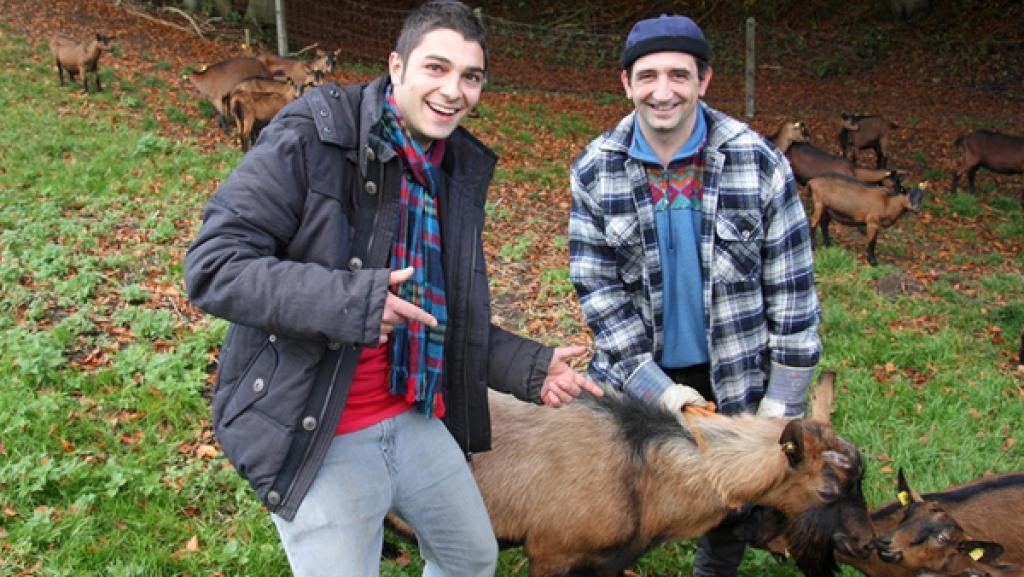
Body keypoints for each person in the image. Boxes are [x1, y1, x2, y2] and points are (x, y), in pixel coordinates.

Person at [184, 2, 602, 575]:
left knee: (471, 557)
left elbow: (441, 311)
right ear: (396, 65)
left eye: (471, 77)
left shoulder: (448, 167)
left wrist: (530, 366)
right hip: (315, 426)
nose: (454, 90)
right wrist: (352, 302)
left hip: (412, 409)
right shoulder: (314, 136)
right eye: (437, 67)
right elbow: (212, 266)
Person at [568, 14, 822, 577]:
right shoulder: (594, 170)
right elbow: (600, 295)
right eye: (649, 76)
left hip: (734, 370)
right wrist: (662, 391)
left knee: (731, 499)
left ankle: (714, 568)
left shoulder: (760, 165)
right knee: (624, 491)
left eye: (679, 75)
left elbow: (794, 296)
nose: (664, 92)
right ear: (626, 84)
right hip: (639, 374)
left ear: (703, 81)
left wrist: (780, 407)